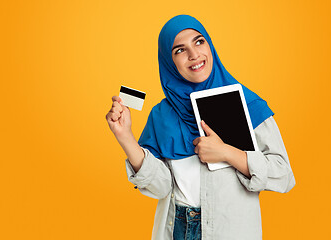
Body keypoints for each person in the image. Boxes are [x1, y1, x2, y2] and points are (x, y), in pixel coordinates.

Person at [106, 15, 295, 240]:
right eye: (179, 50)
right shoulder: (161, 115)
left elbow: (283, 176)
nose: (194, 55)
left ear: (210, 45)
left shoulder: (246, 104)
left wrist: (227, 152)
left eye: (199, 42)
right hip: (176, 230)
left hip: (230, 233)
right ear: (169, 61)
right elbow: (160, 188)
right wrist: (125, 136)